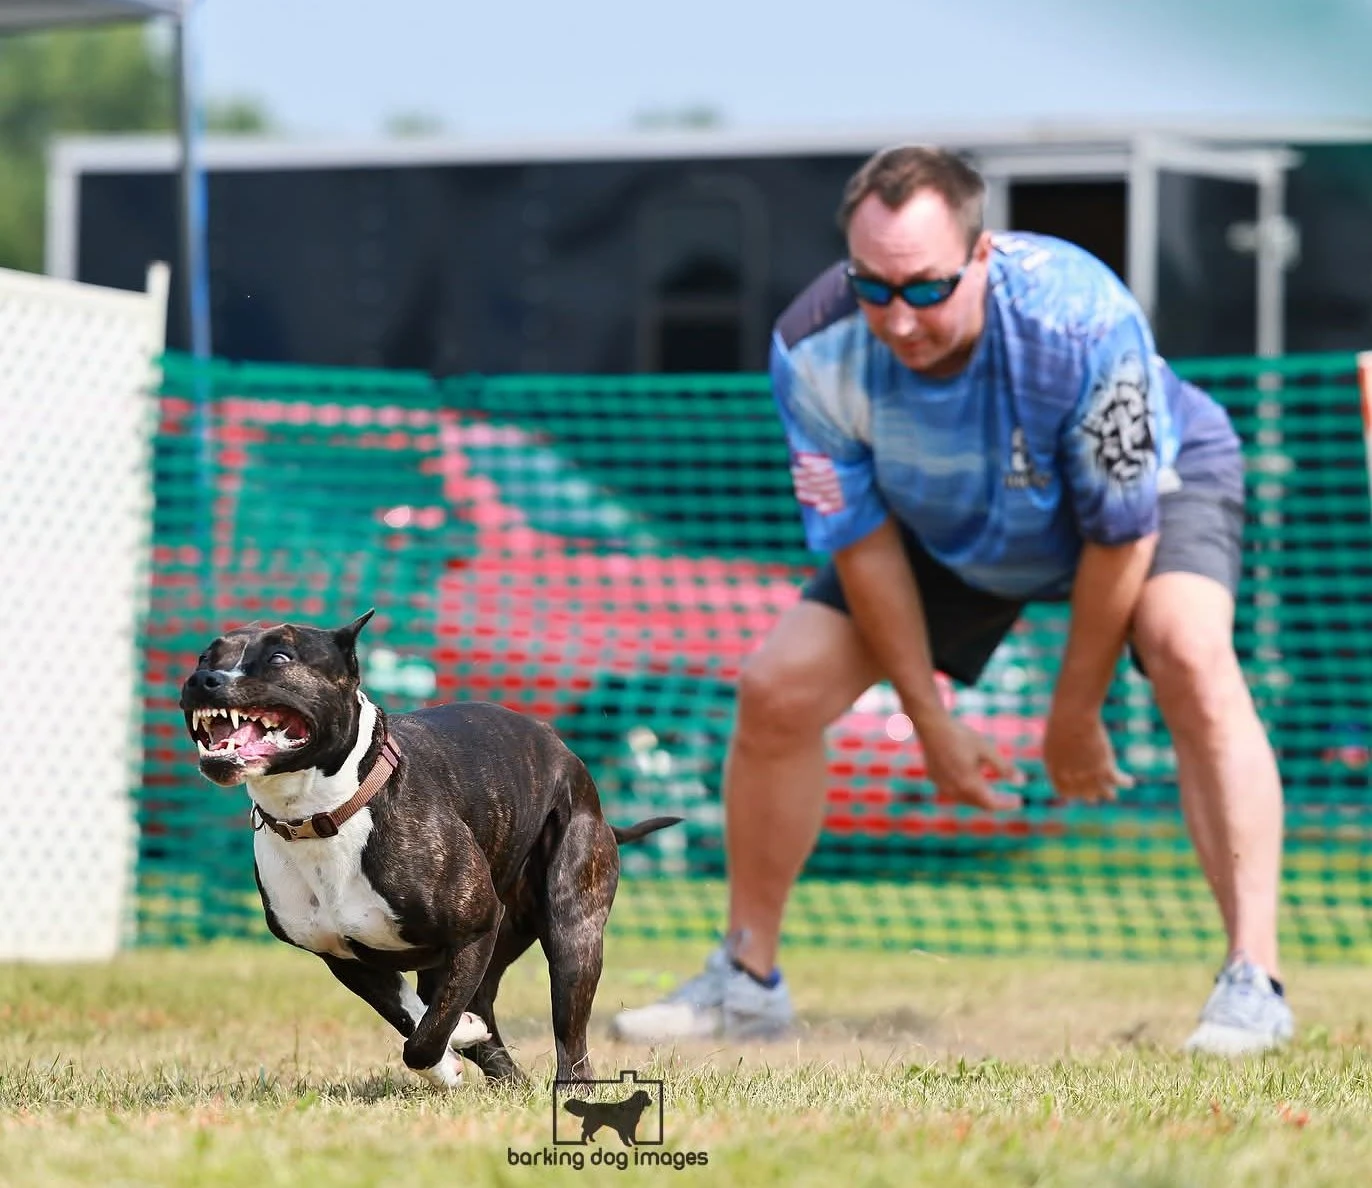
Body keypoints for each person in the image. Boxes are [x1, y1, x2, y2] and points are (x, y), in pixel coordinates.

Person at [610, 145, 1291, 1057]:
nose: (898, 318)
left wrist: (1074, 714)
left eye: (926, 289)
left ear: (983, 257)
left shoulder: (1080, 319)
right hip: (949, 523)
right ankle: (746, 979)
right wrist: (929, 719)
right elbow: (863, 545)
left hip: (1150, 492)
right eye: (874, 286)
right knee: (776, 689)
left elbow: (1119, 533)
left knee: (1191, 654)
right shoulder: (813, 349)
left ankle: (1254, 980)